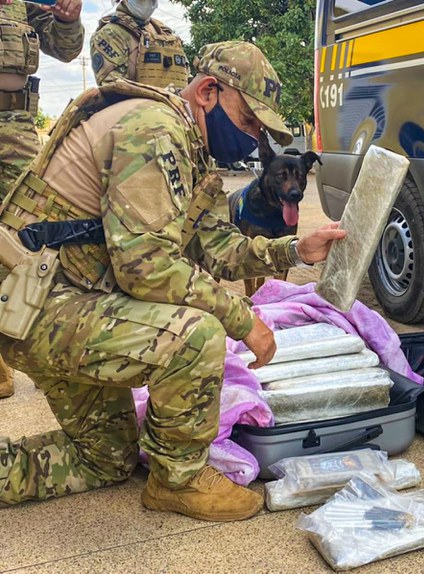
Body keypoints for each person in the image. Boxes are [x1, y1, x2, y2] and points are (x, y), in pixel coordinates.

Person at [0, 41, 345, 521]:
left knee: (106, 459)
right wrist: (242, 319)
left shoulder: (186, 145)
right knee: (198, 335)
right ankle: (177, 479)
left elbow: (214, 245)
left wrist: (294, 250)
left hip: (62, 303)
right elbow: (146, 265)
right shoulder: (154, 128)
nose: (251, 139)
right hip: (40, 309)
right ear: (207, 91)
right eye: (248, 122)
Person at [0, 0, 84, 399]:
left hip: (16, 130)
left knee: (27, 235)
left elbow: (65, 48)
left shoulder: (24, 7)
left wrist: (68, 20)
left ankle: (34, 343)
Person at [90, 0, 188, 89]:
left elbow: (185, 76)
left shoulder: (164, 32)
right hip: (135, 107)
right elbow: (113, 88)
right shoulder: (111, 34)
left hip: (176, 107)